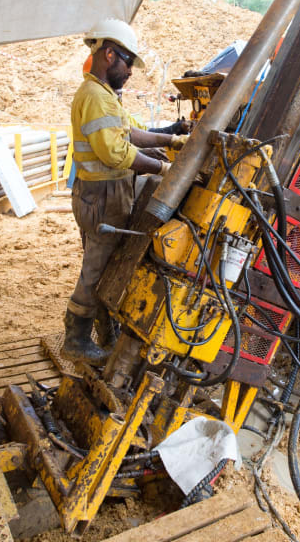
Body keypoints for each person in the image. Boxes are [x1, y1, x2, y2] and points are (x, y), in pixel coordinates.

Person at [64, 18, 188, 365]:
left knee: (105, 264)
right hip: (102, 196)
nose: (131, 70)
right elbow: (115, 153)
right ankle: (75, 339)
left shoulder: (103, 95)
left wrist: (171, 139)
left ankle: (105, 332)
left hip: (105, 193)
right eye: (128, 61)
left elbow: (130, 132)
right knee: (95, 268)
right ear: (109, 55)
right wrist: (162, 169)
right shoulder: (95, 96)